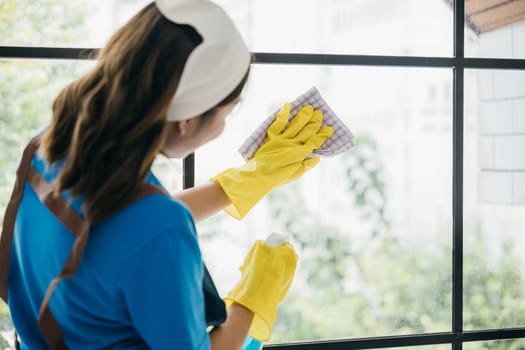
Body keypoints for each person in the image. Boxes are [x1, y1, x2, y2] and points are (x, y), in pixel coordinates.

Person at [0, 0, 333, 349]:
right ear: (187, 119)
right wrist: (254, 298)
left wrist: (249, 179)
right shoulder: (158, 227)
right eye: (227, 113)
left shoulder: (51, 145)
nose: (222, 126)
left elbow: (119, 232)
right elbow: (146, 232)